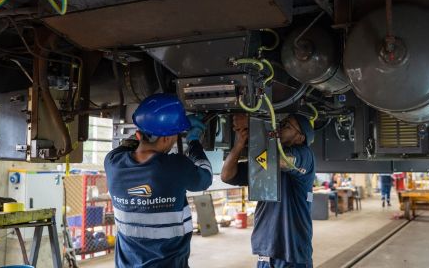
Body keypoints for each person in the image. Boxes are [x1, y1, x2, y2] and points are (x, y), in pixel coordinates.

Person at [104, 93, 213, 268]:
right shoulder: (176, 167)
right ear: (165, 138)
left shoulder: (112, 162)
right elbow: (205, 177)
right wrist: (193, 141)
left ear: (139, 134)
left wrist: (171, 125)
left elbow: (130, 143)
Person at [221, 113, 316, 268]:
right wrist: (239, 144)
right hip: (265, 256)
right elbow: (227, 175)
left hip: (293, 258)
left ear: (300, 138)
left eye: (286, 126)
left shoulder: (305, 155)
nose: (280, 128)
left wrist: (257, 129)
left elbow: (280, 160)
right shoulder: (264, 160)